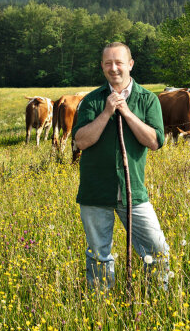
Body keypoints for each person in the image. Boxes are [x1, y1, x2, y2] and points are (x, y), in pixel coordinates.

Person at [72, 42, 170, 290]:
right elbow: (81, 141)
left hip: (133, 192)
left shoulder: (147, 100)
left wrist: (126, 112)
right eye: (108, 63)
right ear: (102, 66)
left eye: (119, 62)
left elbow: (155, 141)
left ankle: (157, 299)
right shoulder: (91, 101)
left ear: (130, 64)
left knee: (157, 250)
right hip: (96, 192)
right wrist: (106, 112)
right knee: (98, 254)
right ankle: (101, 306)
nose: (113, 68)